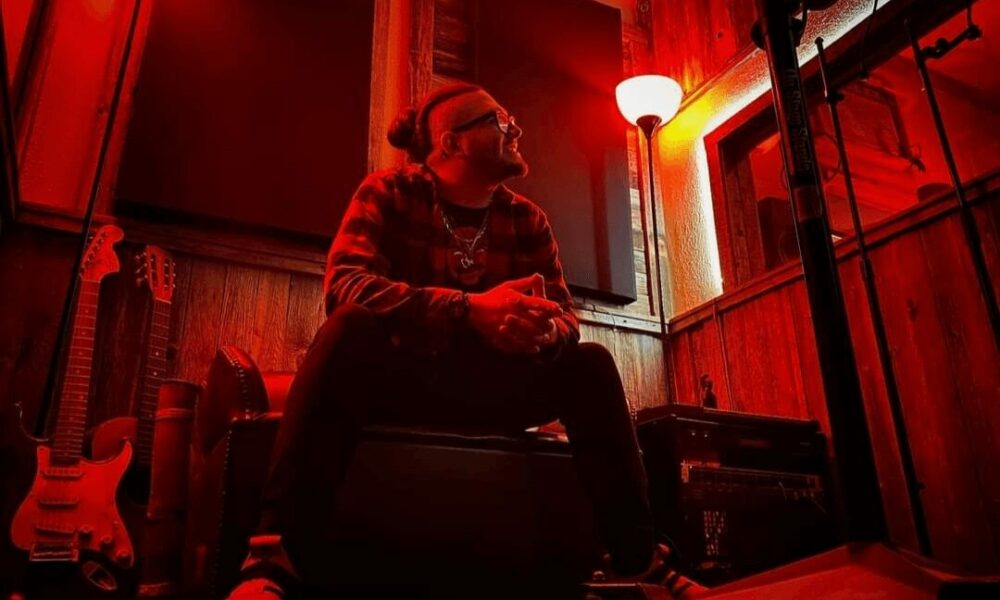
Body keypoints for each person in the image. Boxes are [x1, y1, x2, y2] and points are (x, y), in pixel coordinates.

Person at [227, 83, 704, 599]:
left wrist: (545, 331)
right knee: (349, 327)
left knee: (589, 363)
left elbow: (567, 318)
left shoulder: (527, 219)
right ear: (451, 142)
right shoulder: (388, 192)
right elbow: (347, 285)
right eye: (498, 120)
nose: (515, 128)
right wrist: (468, 309)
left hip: (496, 388)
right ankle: (272, 562)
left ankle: (640, 563)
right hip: (405, 383)